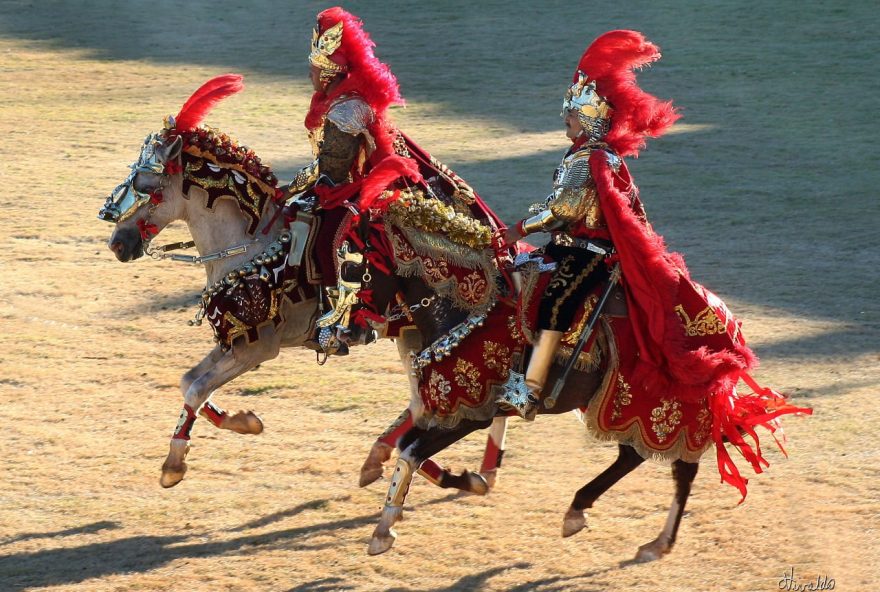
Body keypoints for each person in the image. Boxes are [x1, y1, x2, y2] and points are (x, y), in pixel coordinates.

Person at [282, 7, 501, 356]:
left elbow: (332, 172)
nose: (310, 74)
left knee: (337, 235)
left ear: (327, 74)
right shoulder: (334, 102)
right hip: (348, 186)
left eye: (314, 69)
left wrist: (292, 190)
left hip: (365, 191)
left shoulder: (345, 112)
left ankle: (348, 319)